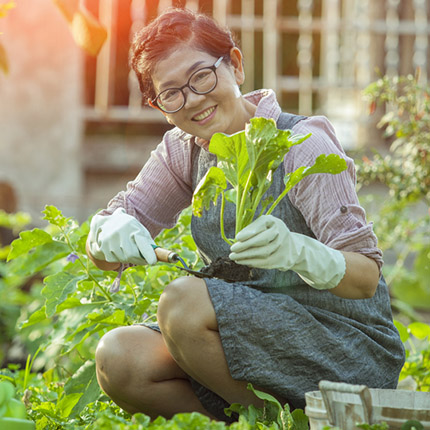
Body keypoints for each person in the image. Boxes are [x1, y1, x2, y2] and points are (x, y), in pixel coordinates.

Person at [86, 7, 405, 422]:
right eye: (171, 93)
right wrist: (107, 233)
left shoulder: (302, 143)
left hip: (342, 343)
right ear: (159, 106)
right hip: (247, 344)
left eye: (202, 76)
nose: (194, 99)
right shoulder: (184, 149)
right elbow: (106, 249)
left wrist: (301, 253)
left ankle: (279, 423)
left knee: (182, 303)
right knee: (120, 359)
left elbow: (364, 278)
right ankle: (269, 417)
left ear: (235, 65)